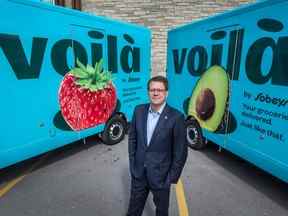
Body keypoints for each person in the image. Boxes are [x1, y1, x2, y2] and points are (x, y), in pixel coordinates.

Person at [127, 75, 188, 216]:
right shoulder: (139, 110)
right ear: (148, 91)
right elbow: (132, 139)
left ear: (166, 93)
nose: (155, 93)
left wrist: (171, 178)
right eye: (152, 89)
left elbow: (181, 152)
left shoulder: (176, 117)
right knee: (133, 210)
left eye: (159, 90)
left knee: (161, 212)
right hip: (139, 173)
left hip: (161, 177)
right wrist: (133, 163)